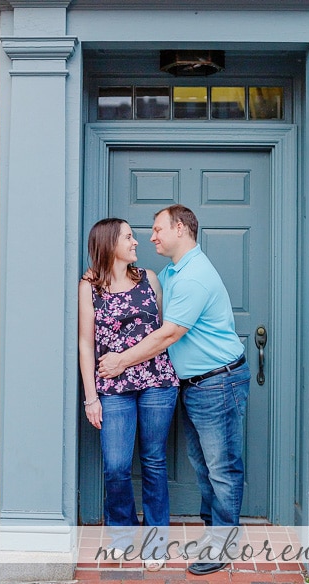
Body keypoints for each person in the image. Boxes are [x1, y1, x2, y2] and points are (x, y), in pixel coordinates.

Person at [96, 204, 250, 576]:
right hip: (195, 385)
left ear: (179, 229)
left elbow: (169, 334)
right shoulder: (172, 272)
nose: (151, 236)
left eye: (157, 229)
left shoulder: (194, 276)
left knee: (222, 468)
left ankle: (223, 545)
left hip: (218, 381)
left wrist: (120, 362)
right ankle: (215, 534)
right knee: (203, 467)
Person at [78, 218, 179, 572]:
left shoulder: (148, 279)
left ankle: (155, 543)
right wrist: (91, 397)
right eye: (128, 237)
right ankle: (121, 536)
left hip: (157, 382)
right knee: (117, 466)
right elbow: (85, 343)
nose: (136, 242)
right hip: (112, 388)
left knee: (153, 461)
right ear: (109, 244)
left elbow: (164, 331)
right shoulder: (90, 286)